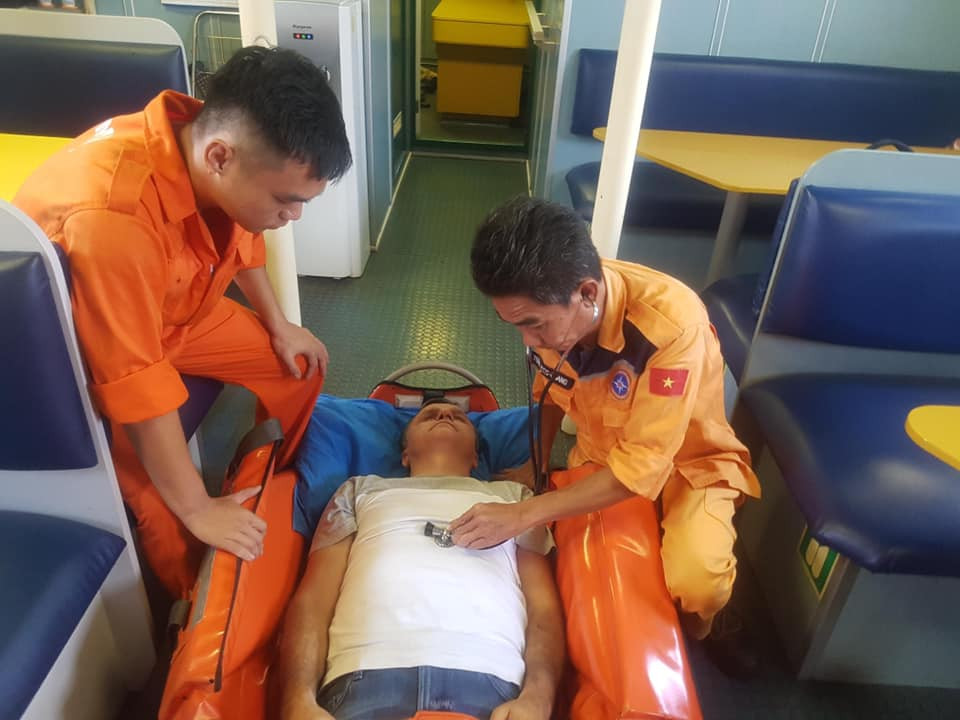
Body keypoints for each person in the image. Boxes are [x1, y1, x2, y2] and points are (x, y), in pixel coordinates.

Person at [13, 47, 352, 598]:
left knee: (298, 366)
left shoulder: (206, 143)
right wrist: (197, 507)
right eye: (286, 200)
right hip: (95, 351)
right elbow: (137, 379)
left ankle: (269, 483)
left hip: (181, 310)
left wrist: (279, 324)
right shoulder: (115, 218)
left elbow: (244, 238)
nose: (293, 216)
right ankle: (191, 611)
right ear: (220, 158)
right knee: (168, 507)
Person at [456, 196, 761, 675]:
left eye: (533, 325)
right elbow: (550, 393)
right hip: (601, 459)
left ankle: (707, 626)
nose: (527, 341)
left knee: (698, 580)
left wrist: (524, 512)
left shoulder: (670, 325)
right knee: (575, 579)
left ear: (587, 293)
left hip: (689, 466)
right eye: (513, 325)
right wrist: (537, 466)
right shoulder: (554, 310)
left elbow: (640, 469)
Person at [271, 399, 564, 720]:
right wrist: (297, 699)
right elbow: (314, 600)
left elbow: (543, 607)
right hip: (364, 675)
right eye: (429, 415)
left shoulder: (516, 500)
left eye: (458, 416)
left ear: (476, 457)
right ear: (405, 455)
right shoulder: (357, 491)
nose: (445, 414)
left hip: (492, 680)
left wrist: (539, 696)